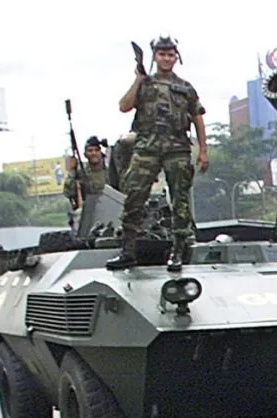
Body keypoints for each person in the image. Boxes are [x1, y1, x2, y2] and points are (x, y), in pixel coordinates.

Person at [107, 36, 209, 273]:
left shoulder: (185, 87)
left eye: (171, 54)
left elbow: (197, 117)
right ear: (155, 56)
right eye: (162, 54)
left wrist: (203, 150)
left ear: (176, 58)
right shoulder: (144, 83)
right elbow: (124, 106)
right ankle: (128, 251)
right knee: (134, 197)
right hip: (147, 148)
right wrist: (138, 79)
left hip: (177, 148)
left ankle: (178, 250)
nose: (167, 58)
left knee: (180, 200)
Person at [64, 136, 109, 210]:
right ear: (85, 154)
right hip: (88, 211)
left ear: (101, 153)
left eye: (96, 150)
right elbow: (68, 193)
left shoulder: (109, 172)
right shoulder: (80, 172)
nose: (93, 153)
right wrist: (72, 171)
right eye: (90, 151)